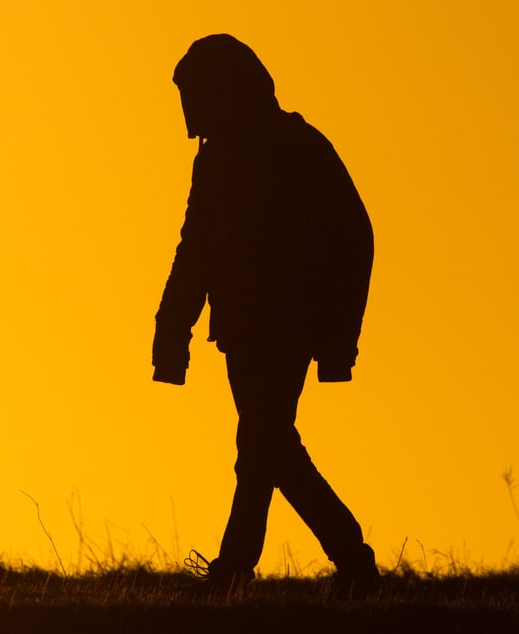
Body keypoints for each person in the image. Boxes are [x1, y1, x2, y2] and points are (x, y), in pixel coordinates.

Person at [152, 34, 377, 597]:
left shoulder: (298, 148)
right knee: (271, 447)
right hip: (240, 331)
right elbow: (196, 247)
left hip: (289, 328)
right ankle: (349, 558)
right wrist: (171, 331)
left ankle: (238, 568)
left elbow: (355, 239)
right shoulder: (216, 159)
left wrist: (338, 339)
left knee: (259, 446)